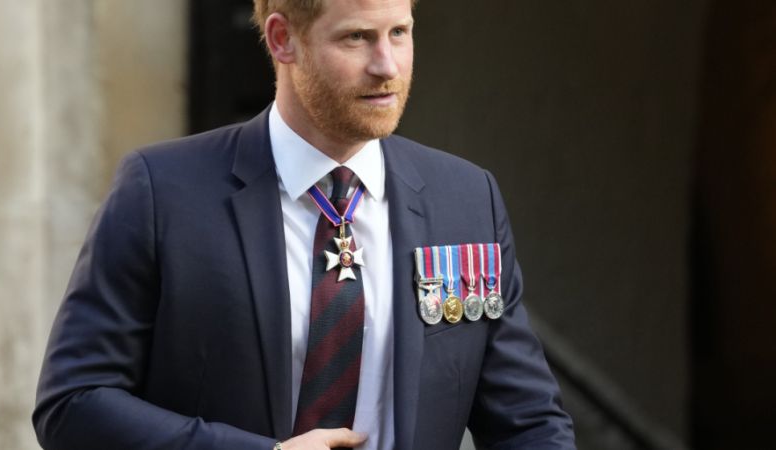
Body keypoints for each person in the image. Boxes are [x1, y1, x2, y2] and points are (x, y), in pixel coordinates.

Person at [32, 0, 576, 448]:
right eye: (357, 38)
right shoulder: (162, 191)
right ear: (281, 40)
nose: (387, 65)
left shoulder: (466, 198)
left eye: (400, 32)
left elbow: (527, 422)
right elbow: (73, 403)